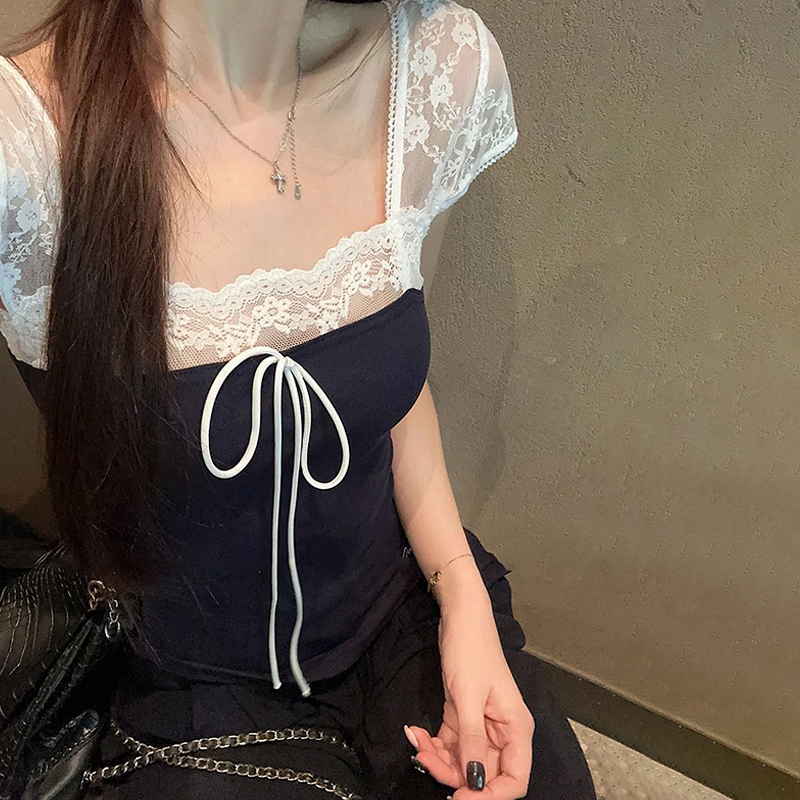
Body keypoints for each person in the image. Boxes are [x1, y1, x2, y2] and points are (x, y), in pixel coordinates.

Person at [0, 0, 597, 798]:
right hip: (191, 681)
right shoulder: (23, 147)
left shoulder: (436, 69)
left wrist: (461, 596)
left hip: (401, 604)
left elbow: (389, 389)